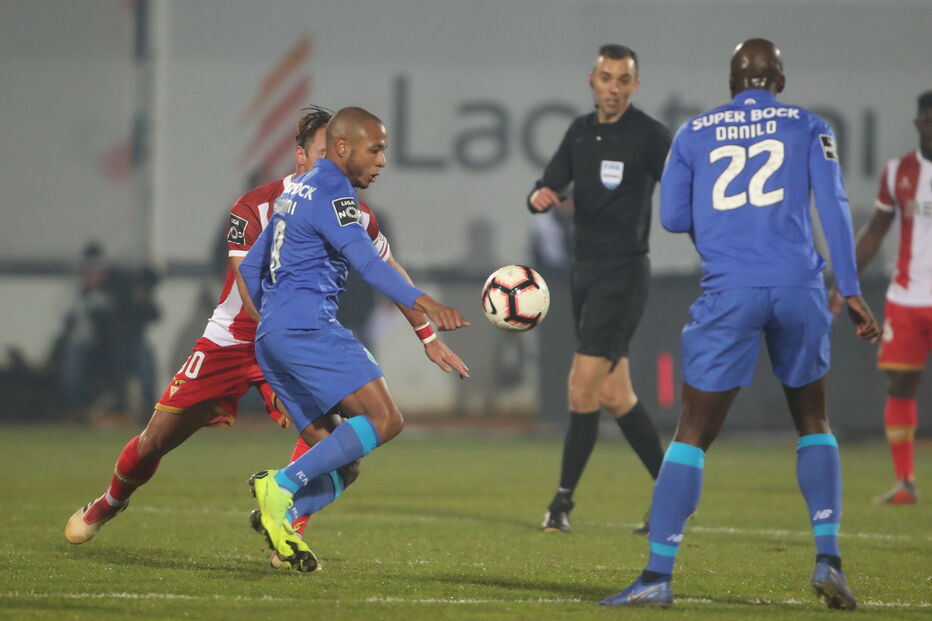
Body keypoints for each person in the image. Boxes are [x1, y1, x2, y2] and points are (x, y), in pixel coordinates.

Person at [65, 106, 468, 547]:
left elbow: (388, 267)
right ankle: (110, 502)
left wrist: (426, 335)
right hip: (233, 338)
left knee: (339, 454)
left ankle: (286, 529)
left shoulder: (353, 211)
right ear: (302, 155)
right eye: (322, 153)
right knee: (156, 439)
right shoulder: (254, 206)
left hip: (283, 336)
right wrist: (285, 333)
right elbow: (247, 279)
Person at [600, 39, 881, 609]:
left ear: (732, 83)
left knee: (693, 432)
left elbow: (673, 216)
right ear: (780, 81)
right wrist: (850, 288)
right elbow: (832, 205)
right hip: (800, 286)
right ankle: (829, 560)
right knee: (814, 420)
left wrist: (725, 233)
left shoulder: (694, 133)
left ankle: (656, 576)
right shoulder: (810, 126)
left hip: (730, 289)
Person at [240, 106, 469, 572]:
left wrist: (276, 320)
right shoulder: (334, 193)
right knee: (386, 419)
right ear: (342, 147)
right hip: (309, 329)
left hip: (272, 338)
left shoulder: (294, 190)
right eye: (376, 149)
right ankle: (279, 487)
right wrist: (426, 302)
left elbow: (249, 268)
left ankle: (282, 520)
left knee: (344, 463)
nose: (382, 161)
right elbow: (369, 265)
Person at [527, 44, 670, 534]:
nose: (613, 88)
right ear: (592, 81)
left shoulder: (650, 135)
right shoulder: (580, 132)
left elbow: (682, 188)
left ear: (635, 86)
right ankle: (675, 490)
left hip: (624, 273)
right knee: (615, 394)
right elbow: (547, 183)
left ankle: (561, 503)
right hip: (584, 273)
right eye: (606, 78)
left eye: (623, 80)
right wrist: (540, 195)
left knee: (580, 386)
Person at [830, 91, 932, 506]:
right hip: (907, 297)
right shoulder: (898, 172)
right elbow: (875, 231)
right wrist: (844, 283)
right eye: (929, 119)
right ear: (918, 123)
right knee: (900, 382)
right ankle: (905, 482)